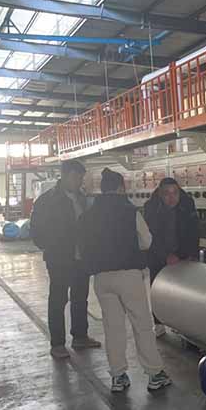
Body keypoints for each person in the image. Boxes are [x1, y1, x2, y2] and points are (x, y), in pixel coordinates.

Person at [79, 168, 171, 392]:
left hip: (102, 278)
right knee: (142, 324)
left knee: (113, 328)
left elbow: (82, 249)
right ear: (121, 187)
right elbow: (147, 241)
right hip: (128, 275)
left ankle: (118, 376)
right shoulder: (130, 212)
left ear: (102, 189)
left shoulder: (87, 215)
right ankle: (154, 374)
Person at [30, 160, 101, 359]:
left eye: (81, 178)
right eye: (77, 177)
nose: (80, 181)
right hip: (59, 259)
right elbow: (36, 231)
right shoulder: (47, 201)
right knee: (58, 300)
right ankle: (58, 344)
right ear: (66, 176)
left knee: (80, 298)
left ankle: (80, 336)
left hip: (81, 259)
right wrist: (51, 247)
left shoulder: (82, 198)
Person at [143, 177, 200, 336]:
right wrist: (165, 256)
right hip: (158, 256)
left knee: (182, 292)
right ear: (160, 194)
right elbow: (150, 236)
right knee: (157, 290)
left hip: (182, 256)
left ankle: (178, 322)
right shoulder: (151, 207)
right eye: (167, 193)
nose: (171, 197)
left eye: (175, 193)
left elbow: (193, 232)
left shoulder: (187, 204)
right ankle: (158, 323)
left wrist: (191, 254)